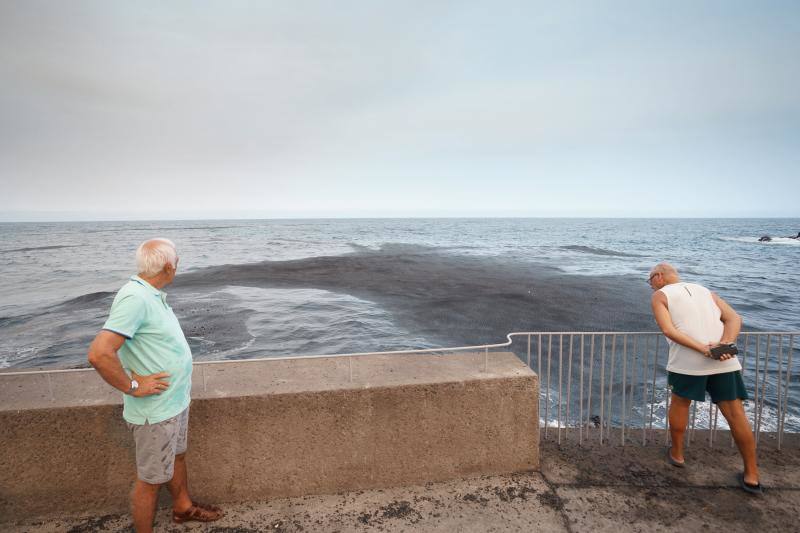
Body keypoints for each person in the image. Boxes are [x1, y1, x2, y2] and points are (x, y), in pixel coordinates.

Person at [88, 238, 223, 531]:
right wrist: (134, 386)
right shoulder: (135, 298)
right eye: (177, 261)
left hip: (173, 403)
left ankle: (182, 507)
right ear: (167, 267)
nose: (178, 266)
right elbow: (99, 353)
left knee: (177, 455)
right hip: (155, 410)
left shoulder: (151, 294)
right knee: (150, 481)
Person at [648, 263, 762, 495]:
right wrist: (724, 344)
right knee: (735, 413)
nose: (650, 285)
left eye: (650, 280)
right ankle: (752, 474)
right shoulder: (705, 291)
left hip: (687, 362)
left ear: (659, 277)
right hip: (724, 361)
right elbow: (734, 318)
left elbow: (669, 331)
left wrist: (702, 349)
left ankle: (677, 454)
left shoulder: (660, 295)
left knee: (680, 404)